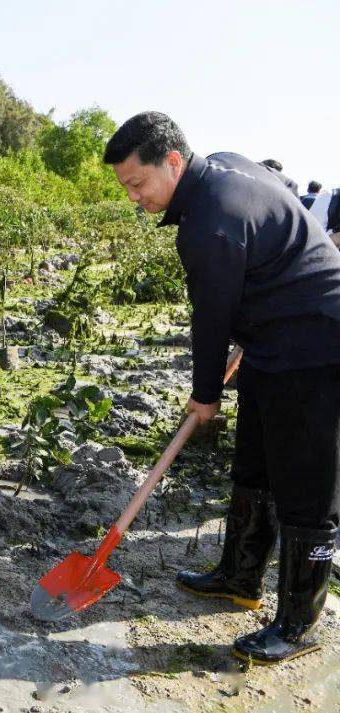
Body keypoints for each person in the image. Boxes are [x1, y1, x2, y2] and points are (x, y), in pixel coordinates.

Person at [104, 112, 340, 665]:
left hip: (317, 343)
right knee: (256, 459)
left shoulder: (208, 223)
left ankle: (299, 625)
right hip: (271, 340)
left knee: (306, 484)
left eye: (138, 184)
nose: (134, 199)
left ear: (173, 163)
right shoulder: (227, 168)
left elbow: (209, 316)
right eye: (126, 188)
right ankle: (240, 575)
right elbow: (269, 238)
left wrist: (204, 393)